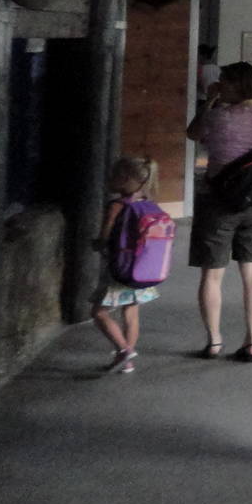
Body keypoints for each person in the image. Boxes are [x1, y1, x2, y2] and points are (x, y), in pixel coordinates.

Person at [186, 61, 252, 362]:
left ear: (232, 85)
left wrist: (209, 100)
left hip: (218, 202)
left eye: (223, 80)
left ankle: (214, 341)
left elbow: (192, 133)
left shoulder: (216, 118)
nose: (219, 83)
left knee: (212, 275)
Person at [89, 156, 161, 374]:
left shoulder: (116, 206)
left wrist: (96, 244)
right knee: (131, 314)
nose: (110, 179)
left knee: (99, 312)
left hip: (118, 272)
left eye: (115, 176)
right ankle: (127, 360)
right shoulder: (149, 205)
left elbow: (104, 238)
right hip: (141, 270)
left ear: (126, 179)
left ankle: (123, 350)